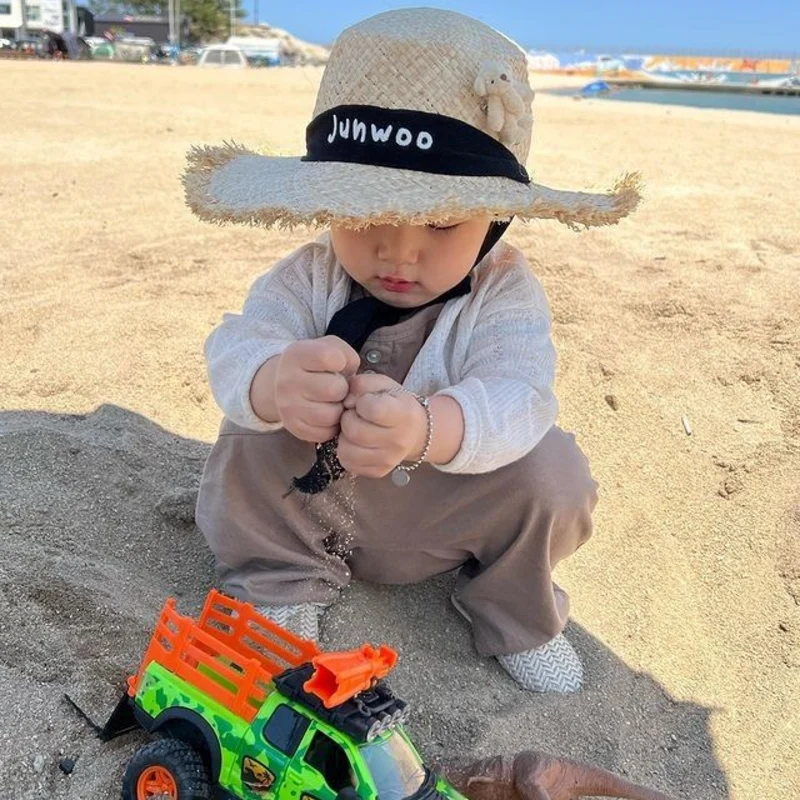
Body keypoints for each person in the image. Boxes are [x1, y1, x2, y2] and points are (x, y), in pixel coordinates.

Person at [186, 8, 640, 694]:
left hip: (434, 510)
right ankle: (284, 576)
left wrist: (430, 428)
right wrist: (273, 380)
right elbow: (235, 345)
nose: (399, 251)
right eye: (364, 217)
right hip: (310, 498)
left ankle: (510, 606)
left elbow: (522, 395)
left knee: (557, 475)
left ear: (496, 219)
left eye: (441, 221)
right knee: (247, 430)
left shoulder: (503, 291)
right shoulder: (310, 275)